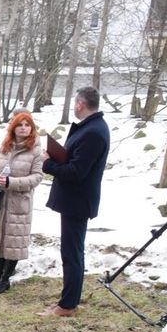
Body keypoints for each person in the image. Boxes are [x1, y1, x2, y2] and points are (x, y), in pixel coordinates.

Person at [40, 86, 110, 317]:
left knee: (72, 252)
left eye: (74, 103)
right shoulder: (91, 128)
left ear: (81, 104)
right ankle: (68, 300)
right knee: (71, 250)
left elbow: (77, 171)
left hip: (77, 201)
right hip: (74, 199)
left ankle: (67, 305)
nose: (73, 107)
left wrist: (48, 163)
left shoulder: (93, 132)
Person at [0, 111, 44, 294]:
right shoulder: (5, 146)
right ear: (13, 127)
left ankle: (5, 279)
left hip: (18, 203)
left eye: (27, 125)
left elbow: (37, 177)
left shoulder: (36, 151)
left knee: (12, 243)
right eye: (20, 124)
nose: (23, 128)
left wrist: (12, 183)